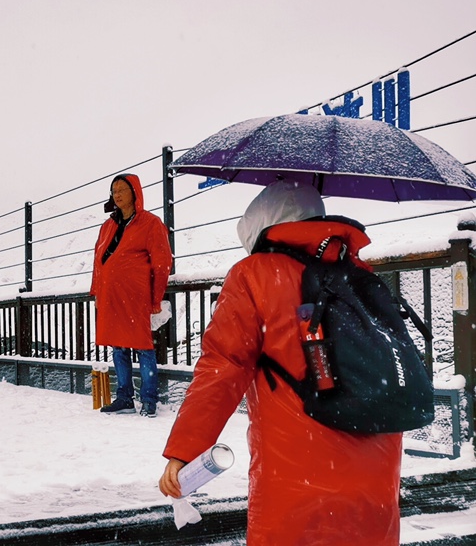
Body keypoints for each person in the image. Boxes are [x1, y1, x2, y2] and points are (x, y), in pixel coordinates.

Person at [158, 181, 402, 545]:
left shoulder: (254, 274)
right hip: (377, 466)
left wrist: (183, 452)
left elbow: (223, 367)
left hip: (296, 469)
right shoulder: (359, 273)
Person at [89, 173, 172, 418]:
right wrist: (97, 292)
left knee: (143, 347)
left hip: (137, 297)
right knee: (118, 347)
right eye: (113, 190)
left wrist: (156, 298)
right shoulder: (108, 226)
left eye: (122, 189)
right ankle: (124, 397)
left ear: (135, 192)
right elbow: (98, 260)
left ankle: (149, 400)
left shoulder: (150, 223)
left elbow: (162, 263)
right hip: (111, 297)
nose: (117, 194)